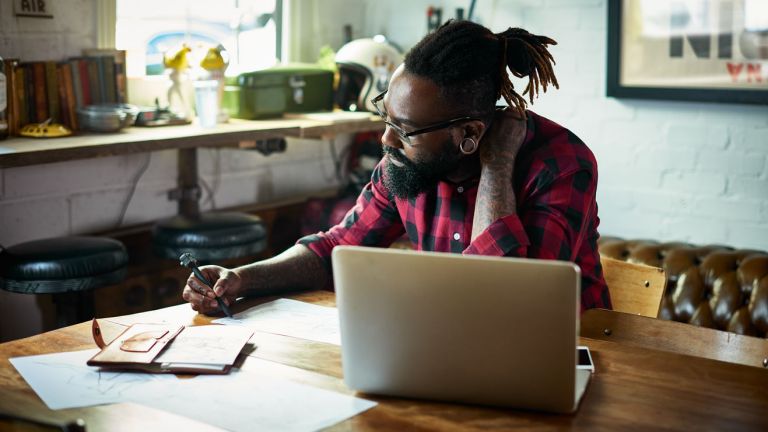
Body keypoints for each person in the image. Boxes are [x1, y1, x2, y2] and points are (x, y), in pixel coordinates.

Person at [182, 20, 612, 314]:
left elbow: (512, 301)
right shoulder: (403, 165)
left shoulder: (561, 164)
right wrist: (242, 279)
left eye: (405, 130)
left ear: (470, 134)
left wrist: (497, 167)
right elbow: (338, 248)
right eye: (386, 118)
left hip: (570, 356)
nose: (386, 141)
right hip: (447, 348)